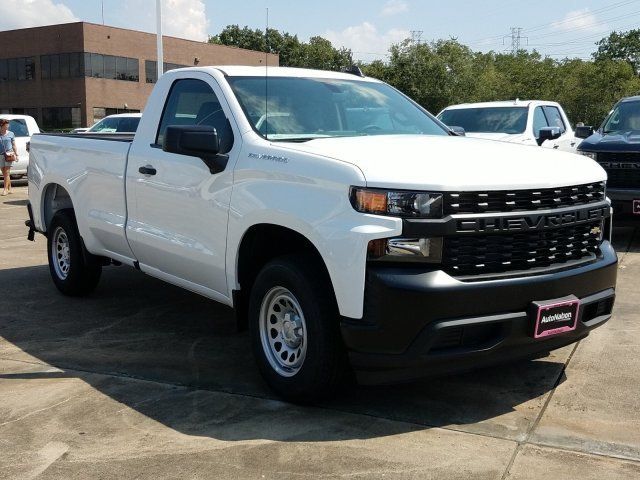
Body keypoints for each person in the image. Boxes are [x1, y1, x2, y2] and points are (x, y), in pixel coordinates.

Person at [0, 118, 18, 196]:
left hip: (9, 154)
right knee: (4, 173)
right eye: (6, 124)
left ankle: (5, 190)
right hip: (0, 154)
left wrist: (16, 154)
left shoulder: (11, 133)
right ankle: (10, 188)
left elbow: (14, 145)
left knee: (7, 172)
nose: (8, 126)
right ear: (1, 125)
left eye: (8, 124)